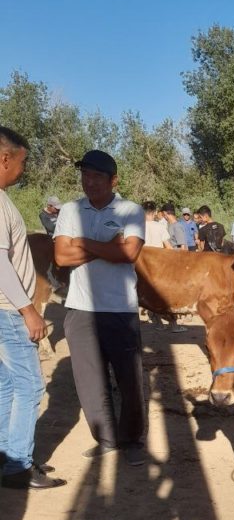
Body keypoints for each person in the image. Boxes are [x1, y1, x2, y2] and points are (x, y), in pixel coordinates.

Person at [54, 149, 147, 465]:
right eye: (85, 175)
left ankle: (131, 440)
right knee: (89, 381)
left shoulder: (130, 210)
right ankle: (106, 438)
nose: (89, 182)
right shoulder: (70, 210)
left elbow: (129, 253)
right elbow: (61, 257)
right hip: (80, 308)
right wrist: (109, 247)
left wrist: (81, 242)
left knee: (129, 379)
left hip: (120, 308)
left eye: (96, 176)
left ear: (113, 180)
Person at [0, 126, 66, 490]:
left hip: (5, 309)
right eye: (22, 162)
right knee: (30, 387)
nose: (23, 169)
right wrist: (28, 310)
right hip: (10, 310)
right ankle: (18, 467)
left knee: (8, 384)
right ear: (4, 158)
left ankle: (7, 454)